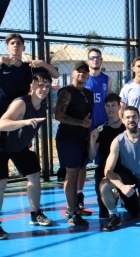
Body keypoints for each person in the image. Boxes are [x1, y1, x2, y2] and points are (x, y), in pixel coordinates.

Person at [0, 33, 60, 186]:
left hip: (19, 112)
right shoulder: (1, 66)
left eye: (19, 43)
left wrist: (43, 63)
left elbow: (55, 75)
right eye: (12, 43)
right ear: (7, 47)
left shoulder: (30, 68)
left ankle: (25, 174)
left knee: (25, 146)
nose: (16, 46)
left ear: (23, 47)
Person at [0, 72, 54, 239]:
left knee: (34, 176)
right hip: (2, 147)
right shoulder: (21, 103)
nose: (43, 89)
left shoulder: (43, 105)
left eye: (46, 86)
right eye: (40, 85)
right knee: (0, 184)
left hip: (19, 147)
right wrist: (23, 122)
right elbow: (2, 124)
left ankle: (36, 214)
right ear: (32, 86)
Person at [99, 106, 140, 231]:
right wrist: (121, 186)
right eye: (127, 117)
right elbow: (108, 170)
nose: (131, 119)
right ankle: (114, 215)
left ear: (139, 118)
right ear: (122, 120)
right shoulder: (118, 141)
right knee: (104, 184)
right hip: (130, 179)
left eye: (134, 116)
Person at [55, 61, 94, 226]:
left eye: (85, 72)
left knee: (77, 174)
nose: (82, 74)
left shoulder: (88, 93)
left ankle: (74, 207)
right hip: (68, 139)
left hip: (81, 140)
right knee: (71, 176)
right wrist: (80, 123)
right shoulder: (66, 92)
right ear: (72, 73)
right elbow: (59, 115)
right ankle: (71, 213)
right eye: (79, 71)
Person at [74, 48, 113, 210]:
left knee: (106, 162)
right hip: (85, 127)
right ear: (88, 60)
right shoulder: (84, 80)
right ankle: (79, 193)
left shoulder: (107, 79)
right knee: (82, 163)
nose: (95, 60)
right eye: (92, 58)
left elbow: (110, 103)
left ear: (101, 60)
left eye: (98, 57)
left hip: (103, 127)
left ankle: (110, 193)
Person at [88, 93, 126, 219]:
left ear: (119, 106)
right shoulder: (100, 128)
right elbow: (92, 155)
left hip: (124, 169)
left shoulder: (126, 127)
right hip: (104, 168)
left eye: (113, 105)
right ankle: (112, 196)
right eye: (108, 106)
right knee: (104, 214)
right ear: (104, 107)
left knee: (133, 209)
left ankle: (122, 196)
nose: (110, 109)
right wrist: (92, 141)